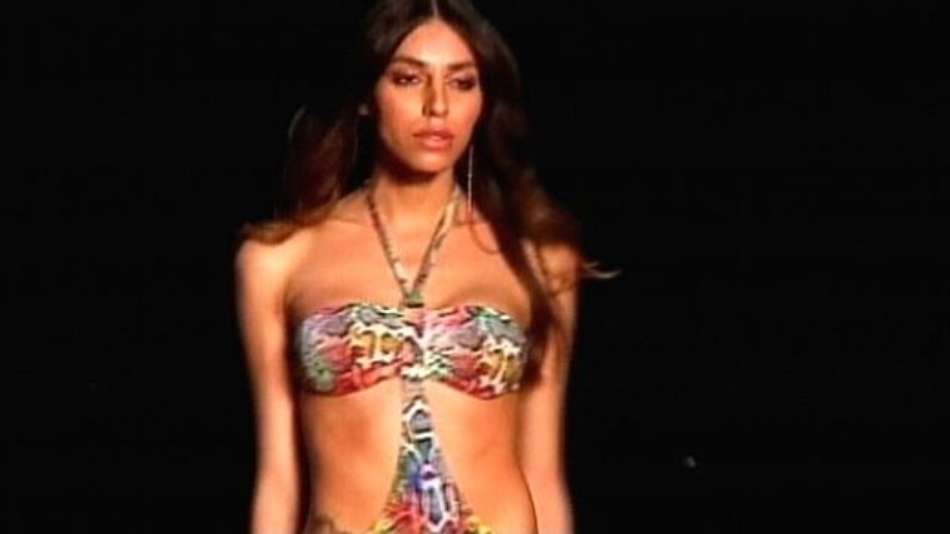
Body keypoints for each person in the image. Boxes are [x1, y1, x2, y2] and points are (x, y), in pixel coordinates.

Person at [234, 1, 617, 532]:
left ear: (484, 100)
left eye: (462, 83)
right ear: (366, 96)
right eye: (408, 78)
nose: (438, 106)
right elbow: (279, 477)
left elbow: (543, 471)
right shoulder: (279, 260)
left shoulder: (539, 259)